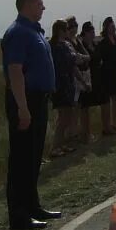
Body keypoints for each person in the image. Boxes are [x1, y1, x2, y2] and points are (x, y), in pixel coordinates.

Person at [2, 0, 60, 230]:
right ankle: (19, 215)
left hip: (39, 99)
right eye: (39, 4)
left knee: (34, 157)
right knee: (21, 158)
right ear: (27, 5)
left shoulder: (35, 31)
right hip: (25, 100)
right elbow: (15, 71)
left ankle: (32, 205)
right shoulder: (18, 32)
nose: (43, 7)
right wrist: (23, 108)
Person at [49, 20, 78, 157]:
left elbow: (73, 60)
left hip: (68, 82)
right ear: (60, 30)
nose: (68, 31)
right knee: (63, 117)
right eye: (66, 29)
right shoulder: (53, 46)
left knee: (68, 115)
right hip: (60, 84)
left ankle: (61, 144)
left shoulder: (65, 44)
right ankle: (55, 147)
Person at [77, 21, 105, 142]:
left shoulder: (95, 44)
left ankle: (99, 129)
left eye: (93, 31)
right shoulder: (81, 45)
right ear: (85, 33)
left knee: (101, 102)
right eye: (90, 31)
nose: (92, 33)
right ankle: (85, 133)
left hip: (98, 77)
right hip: (87, 77)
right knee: (85, 107)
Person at [65, 16, 91, 143]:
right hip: (74, 77)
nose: (74, 28)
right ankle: (71, 135)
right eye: (71, 26)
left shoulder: (77, 40)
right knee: (73, 108)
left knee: (82, 106)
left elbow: (87, 55)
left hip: (83, 74)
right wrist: (83, 58)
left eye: (75, 26)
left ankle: (81, 133)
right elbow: (75, 59)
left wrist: (83, 58)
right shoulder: (66, 41)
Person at [98, 17, 116, 136]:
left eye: (114, 27)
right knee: (107, 100)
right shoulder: (103, 42)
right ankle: (107, 126)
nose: (113, 29)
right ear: (106, 28)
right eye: (111, 27)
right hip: (107, 71)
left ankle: (115, 123)